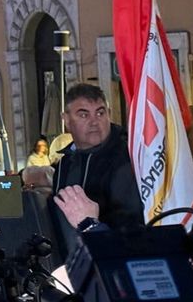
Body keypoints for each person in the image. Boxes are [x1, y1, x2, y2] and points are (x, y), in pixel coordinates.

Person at [50, 83, 143, 259]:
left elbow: (131, 224)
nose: (94, 122)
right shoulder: (65, 163)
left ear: (109, 113)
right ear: (67, 120)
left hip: (114, 261)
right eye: (84, 115)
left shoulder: (128, 158)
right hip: (71, 266)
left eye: (100, 113)